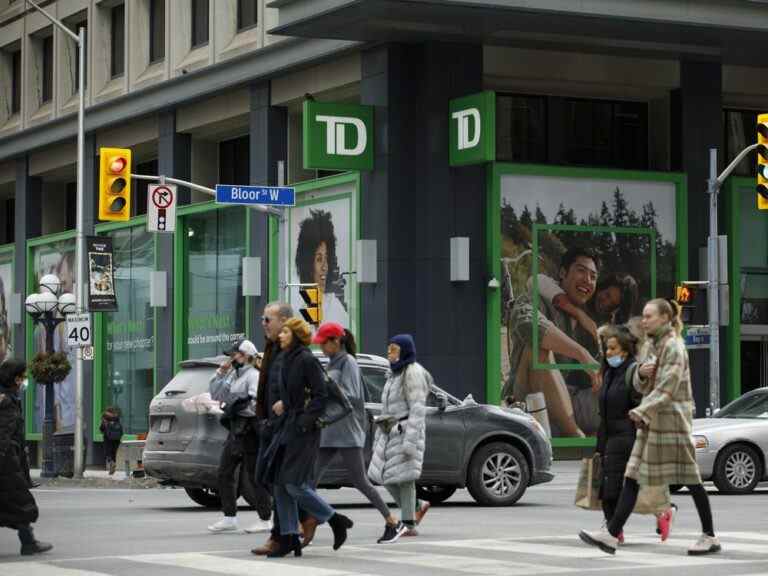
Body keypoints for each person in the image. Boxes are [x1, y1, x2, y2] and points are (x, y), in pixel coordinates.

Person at [580, 298, 720, 556]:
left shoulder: (675, 348)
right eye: (643, 316)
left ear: (665, 318)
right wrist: (643, 377)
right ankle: (611, 534)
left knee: (692, 480)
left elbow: (668, 388)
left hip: (672, 424)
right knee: (631, 476)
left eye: (649, 316)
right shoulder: (656, 348)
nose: (644, 321)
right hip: (651, 423)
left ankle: (709, 535)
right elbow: (649, 387)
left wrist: (641, 410)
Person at [264, 317, 353, 558]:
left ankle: (334, 519)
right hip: (288, 427)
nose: (280, 336)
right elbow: (297, 393)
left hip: (303, 431)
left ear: (295, 335)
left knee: (293, 484)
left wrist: (304, 422)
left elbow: (320, 395)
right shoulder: (288, 359)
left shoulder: (306, 359)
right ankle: (290, 537)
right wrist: (285, 404)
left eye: (285, 332)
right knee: (278, 483)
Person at [312, 323, 410, 544]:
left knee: (360, 481)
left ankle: (393, 522)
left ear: (336, 342)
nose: (322, 348)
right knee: (310, 481)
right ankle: (310, 521)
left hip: (346, 431)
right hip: (330, 430)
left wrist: (326, 387)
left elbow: (352, 396)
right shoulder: (333, 363)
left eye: (324, 343)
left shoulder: (348, 363)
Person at [504, 246, 601, 437]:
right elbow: (525, 321)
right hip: (527, 396)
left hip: (569, 399)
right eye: (581, 271)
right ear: (563, 273)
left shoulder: (587, 319)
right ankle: (576, 437)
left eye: (593, 276)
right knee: (538, 348)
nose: (587, 280)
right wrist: (582, 354)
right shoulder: (539, 299)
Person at [252, 303, 317, 556]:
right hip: (269, 425)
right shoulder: (272, 349)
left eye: (268, 319)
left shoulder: (293, 353)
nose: (264, 323)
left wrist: (288, 420)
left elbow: (307, 394)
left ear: (285, 322)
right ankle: (300, 521)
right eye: (263, 319)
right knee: (268, 479)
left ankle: (283, 534)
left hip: (285, 428)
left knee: (278, 480)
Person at [368, 334, 430, 537]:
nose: (389, 353)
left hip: (405, 432)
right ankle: (418, 505)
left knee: (406, 479)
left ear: (404, 351)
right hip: (391, 431)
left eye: (393, 349)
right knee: (385, 476)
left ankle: (409, 523)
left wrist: (410, 441)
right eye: (389, 349)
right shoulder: (394, 373)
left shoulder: (412, 373)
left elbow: (418, 409)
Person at [207, 339, 272, 534]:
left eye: (234, 354)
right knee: (225, 472)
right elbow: (217, 394)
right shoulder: (234, 375)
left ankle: (265, 518)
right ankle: (229, 517)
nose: (231, 358)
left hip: (250, 430)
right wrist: (220, 372)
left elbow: (256, 403)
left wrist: (236, 406)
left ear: (245, 356)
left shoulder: (253, 375)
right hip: (236, 430)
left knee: (254, 476)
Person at [0, 358, 53, 556]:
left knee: (15, 504)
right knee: (21, 503)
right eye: (22, 377)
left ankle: (28, 541)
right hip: (6, 464)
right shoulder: (6, 401)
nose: (23, 381)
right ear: (15, 379)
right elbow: (3, 434)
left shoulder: (7, 398)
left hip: (9, 461)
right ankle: (28, 543)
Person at [295, 209, 349, 327]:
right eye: (319, 259)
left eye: (327, 259)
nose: (325, 267)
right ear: (307, 263)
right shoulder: (298, 307)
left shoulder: (336, 309)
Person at [99, 406, 124, 475]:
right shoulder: (117, 418)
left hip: (108, 438)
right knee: (114, 453)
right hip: (117, 438)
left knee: (107, 453)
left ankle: (111, 463)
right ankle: (113, 466)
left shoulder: (105, 417)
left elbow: (101, 428)